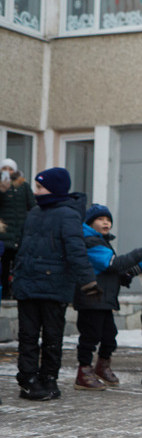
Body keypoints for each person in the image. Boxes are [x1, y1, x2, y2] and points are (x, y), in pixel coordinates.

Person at [13, 167, 100, 401]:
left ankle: (49, 379)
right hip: (28, 285)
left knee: (52, 336)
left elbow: (76, 251)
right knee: (28, 336)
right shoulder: (34, 213)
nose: (36, 191)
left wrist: (88, 282)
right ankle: (28, 379)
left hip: (54, 286)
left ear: (55, 188)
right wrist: (17, 273)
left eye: (40, 187)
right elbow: (24, 248)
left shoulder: (68, 214)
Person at [73, 203, 142, 390]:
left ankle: (102, 366)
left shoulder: (102, 242)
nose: (106, 222)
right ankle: (83, 371)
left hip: (104, 300)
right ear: (90, 222)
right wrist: (138, 254)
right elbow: (113, 265)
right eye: (100, 219)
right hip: (91, 299)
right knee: (89, 337)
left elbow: (121, 273)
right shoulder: (90, 242)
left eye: (108, 219)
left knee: (109, 337)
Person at [0, 157, 36, 300]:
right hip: (3, 232)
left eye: (10, 169)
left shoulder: (24, 186)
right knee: (3, 264)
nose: (8, 172)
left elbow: (32, 205)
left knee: (19, 264)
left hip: (20, 232)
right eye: (5, 169)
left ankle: (17, 292)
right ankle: (4, 293)